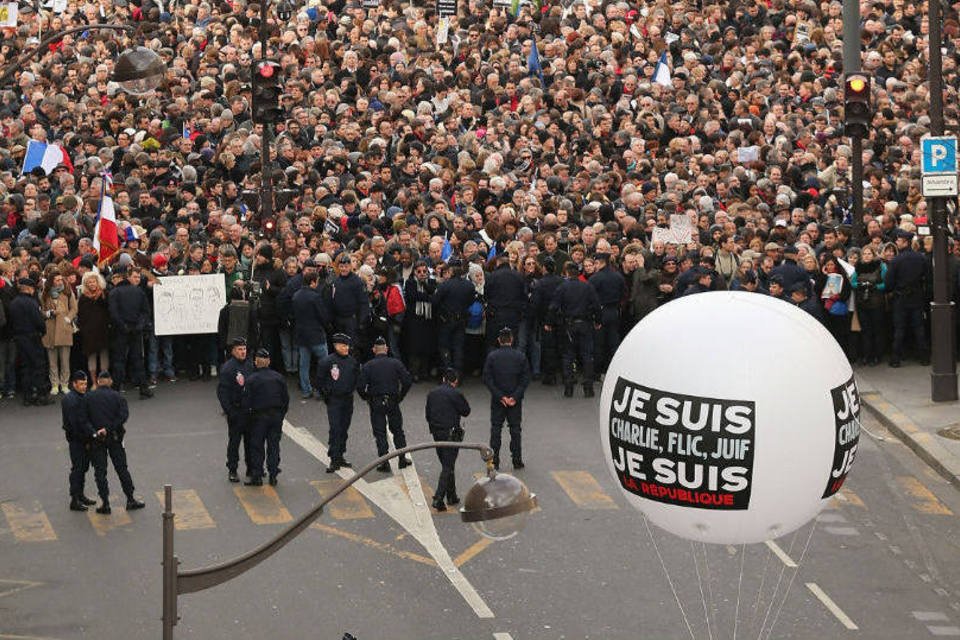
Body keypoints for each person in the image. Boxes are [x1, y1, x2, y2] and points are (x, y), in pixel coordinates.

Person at [85, 370, 146, 514]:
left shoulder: (89, 397)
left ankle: (105, 503)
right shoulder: (118, 397)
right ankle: (130, 498)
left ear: (98, 382)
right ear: (110, 381)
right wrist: (109, 428)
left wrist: (96, 431)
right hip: (115, 438)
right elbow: (123, 416)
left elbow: (84, 418)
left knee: (100, 472)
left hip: (97, 440)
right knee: (122, 468)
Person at [357, 336, 413, 471]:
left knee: (380, 432)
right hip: (393, 400)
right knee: (398, 431)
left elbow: (360, 386)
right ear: (386, 349)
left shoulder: (368, 366)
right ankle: (402, 459)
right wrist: (401, 396)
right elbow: (407, 381)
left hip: (376, 402)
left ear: (374, 350)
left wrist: (366, 398)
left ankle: (384, 462)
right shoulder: (396, 363)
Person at [547, 262, 601, 398]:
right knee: (587, 355)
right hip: (585, 323)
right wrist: (598, 321)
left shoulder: (562, 287)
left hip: (568, 325)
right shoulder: (587, 286)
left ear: (566, 273)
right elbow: (596, 305)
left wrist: (549, 322)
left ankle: (568, 387)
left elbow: (553, 307)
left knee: (568, 356)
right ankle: (588, 387)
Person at [482, 327, 531, 469]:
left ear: (499, 340)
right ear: (512, 339)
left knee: (496, 430)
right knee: (515, 430)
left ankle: (494, 461)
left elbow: (487, 379)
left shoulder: (492, 357)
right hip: (514, 401)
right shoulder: (520, 356)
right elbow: (525, 379)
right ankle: (517, 459)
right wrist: (514, 397)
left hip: (498, 400)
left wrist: (500, 396)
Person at [240, 348, 289, 486]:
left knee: (257, 446)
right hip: (275, 416)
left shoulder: (251, 380)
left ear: (256, 362)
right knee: (274, 446)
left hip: (258, 417)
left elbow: (246, 402)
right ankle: (273, 474)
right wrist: (280, 415)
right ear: (268, 362)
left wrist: (248, 418)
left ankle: (257, 476)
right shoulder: (278, 378)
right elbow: (285, 399)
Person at [425, 369, 471, 511]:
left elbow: (428, 414)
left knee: (447, 463)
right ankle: (439, 498)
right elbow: (466, 411)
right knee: (448, 465)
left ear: (444, 378)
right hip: (451, 433)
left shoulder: (432, 394)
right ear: (455, 381)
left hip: (436, 433)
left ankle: (452, 495)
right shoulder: (456, 393)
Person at [885, 230, 929, 367]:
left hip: (901, 298)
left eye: (898, 240)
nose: (897, 243)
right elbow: (927, 278)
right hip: (916, 297)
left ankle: (895, 359)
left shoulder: (896, 261)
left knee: (899, 329)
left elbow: (888, 283)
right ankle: (924, 357)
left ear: (905, 242)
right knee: (919, 328)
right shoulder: (921, 258)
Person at [317, 333, 360, 472]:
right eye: (343, 345)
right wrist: (327, 396)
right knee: (335, 429)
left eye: (347, 345)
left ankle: (340, 454)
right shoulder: (327, 362)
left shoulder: (352, 362)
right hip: (334, 400)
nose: (346, 347)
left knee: (344, 429)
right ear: (336, 346)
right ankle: (334, 458)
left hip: (347, 399)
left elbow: (356, 379)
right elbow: (319, 381)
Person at [107, 267, 153, 398]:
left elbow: (113, 313)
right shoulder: (138, 291)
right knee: (138, 359)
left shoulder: (114, 292)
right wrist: (139, 325)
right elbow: (145, 312)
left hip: (120, 330)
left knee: (119, 360)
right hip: (136, 330)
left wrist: (123, 326)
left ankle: (115, 390)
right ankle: (144, 388)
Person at [8, 277, 53, 406]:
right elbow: (38, 320)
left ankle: (27, 396)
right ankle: (41, 395)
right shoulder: (32, 303)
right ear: (29, 289)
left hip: (19, 337)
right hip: (32, 337)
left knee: (26, 367)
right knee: (39, 365)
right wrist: (42, 331)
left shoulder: (14, 303)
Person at [217, 337, 254, 483]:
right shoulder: (228, 368)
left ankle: (251, 468)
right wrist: (230, 411)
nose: (243, 352)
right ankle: (232, 469)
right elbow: (222, 393)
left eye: (244, 349)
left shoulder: (251, 365)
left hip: (250, 411)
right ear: (233, 351)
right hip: (236, 411)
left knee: (251, 442)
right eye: (239, 349)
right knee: (234, 442)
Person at [433, 260, 477, 373]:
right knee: (458, 347)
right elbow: (471, 301)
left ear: (451, 271)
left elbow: (435, 301)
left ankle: (447, 371)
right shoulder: (469, 285)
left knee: (444, 346)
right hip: (461, 319)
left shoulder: (445, 285)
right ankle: (457, 373)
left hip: (446, 320)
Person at [61, 370, 97, 511]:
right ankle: (75, 498)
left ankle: (80, 495)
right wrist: (87, 438)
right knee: (77, 468)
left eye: (85, 384)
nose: (84, 386)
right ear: (74, 384)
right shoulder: (71, 400)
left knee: (83, 467)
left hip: (83, 439)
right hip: (77, 440)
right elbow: (75, 424)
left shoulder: (82, 396)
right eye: (81, 384)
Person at [292, 271, 329, 398]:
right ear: (313, 282)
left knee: (304, 364)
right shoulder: (315, 297)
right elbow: (323, 316)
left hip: (301, 335)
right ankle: (320, 389)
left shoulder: (296, 296)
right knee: (324, 362)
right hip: (316, 334)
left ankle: (306, 390)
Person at [589, 252, 625, 374]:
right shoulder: (618, 276)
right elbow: (623, 293)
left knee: (599, 344)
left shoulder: (595, 278)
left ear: (599, 263)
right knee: (613, 342)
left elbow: (590, 298)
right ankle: (616, 369)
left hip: (600, 312)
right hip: (614, 311)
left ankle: (598, 371)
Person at [324, 253, 369, 343]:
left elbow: (363, 302)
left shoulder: (357, 282)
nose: (343, 269)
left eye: (346, 266)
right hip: (338, 319)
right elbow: (331, 301)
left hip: (351, 319)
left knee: (351, 345)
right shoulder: (336, 281)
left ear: (350, 267)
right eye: (341, 266)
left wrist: (361, 321)